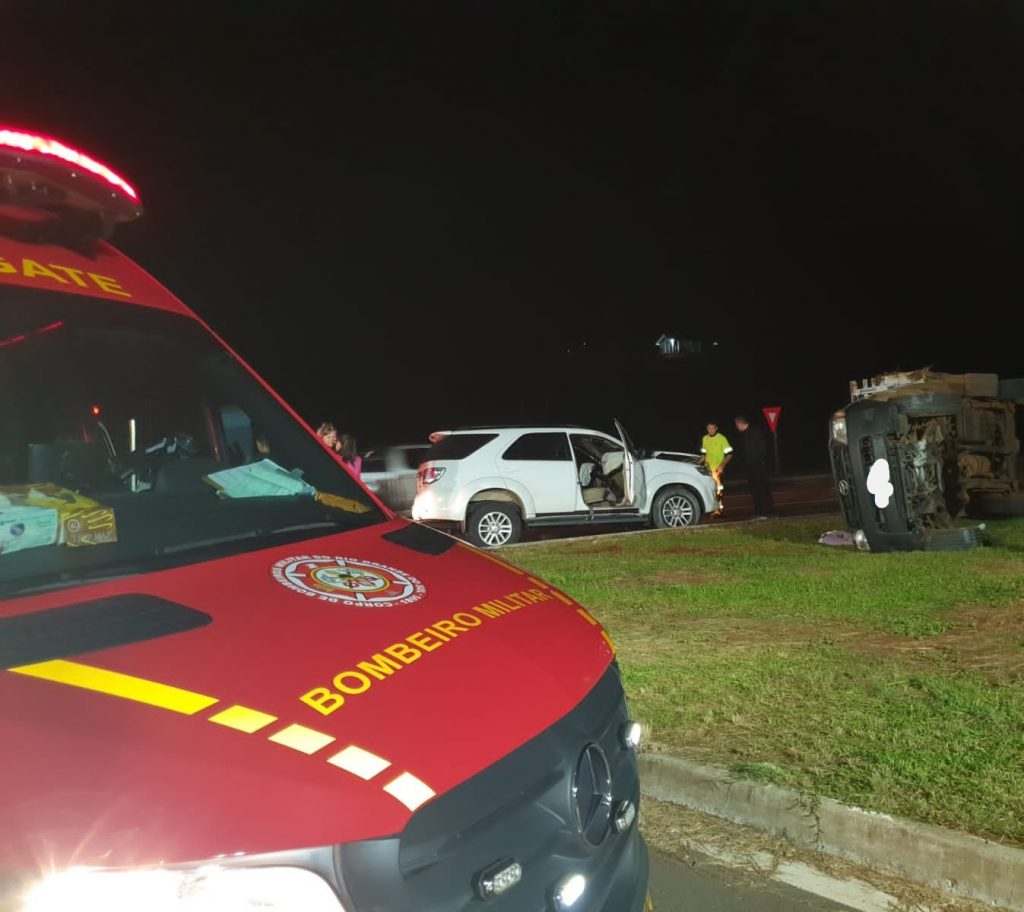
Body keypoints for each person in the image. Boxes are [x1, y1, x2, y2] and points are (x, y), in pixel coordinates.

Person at [734, 414, 775, 518]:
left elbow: (762, 448)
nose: (737, 427)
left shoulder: (755, 431)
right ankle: (759, 511)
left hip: (759, 466)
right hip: (750, 468)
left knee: (762, 489)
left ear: (740, 423)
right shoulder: (743, 435)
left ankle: (768, 511)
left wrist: (759, 461)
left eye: (737, 425)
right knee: (754, 490)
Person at [698, 421, 732, 516]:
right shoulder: (705, 438)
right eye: (709, 428)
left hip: (718, 470)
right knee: (709, 490)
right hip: (707, 470)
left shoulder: (722, 438)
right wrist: (698, 463)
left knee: (719, 490)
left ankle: (718, 510)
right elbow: (703, 454)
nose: (711, 430)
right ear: (706, 429)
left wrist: (722, 466)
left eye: (713, 428)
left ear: (716, 428)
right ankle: (712, 509)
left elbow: (729, 454)